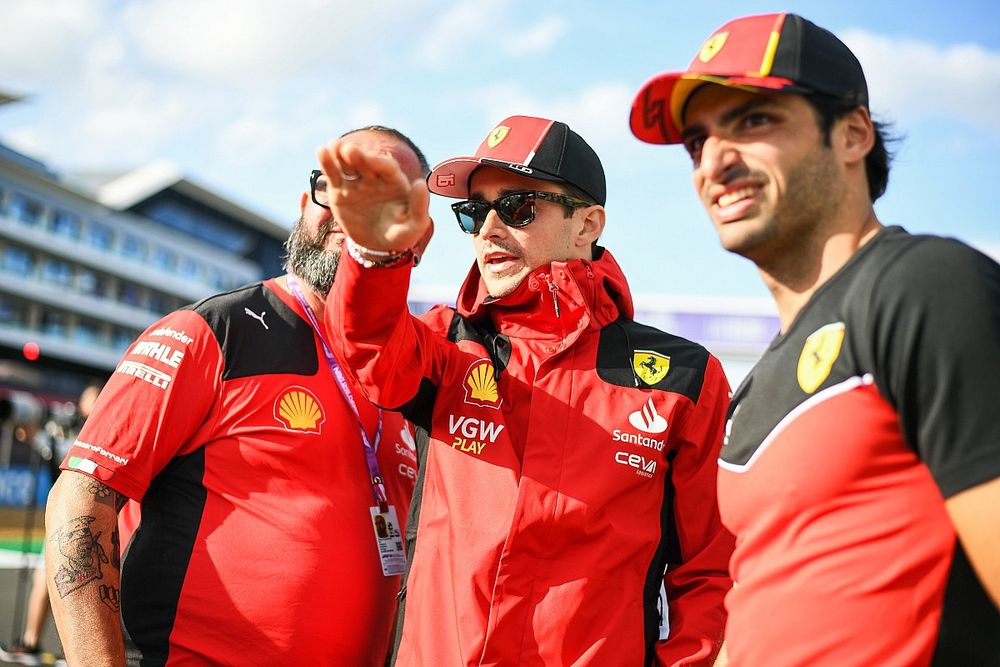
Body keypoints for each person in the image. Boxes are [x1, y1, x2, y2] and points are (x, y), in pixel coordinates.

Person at [630, 11, 1000, 666]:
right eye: (697, 143)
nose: (715, 160)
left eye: (754, 120)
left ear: (853, 134)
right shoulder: (754, 387)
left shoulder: (925, 288)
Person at [316, 115, 734, 665]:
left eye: (516, 208)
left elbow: (710, 571)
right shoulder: (445, 342)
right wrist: (375, 256)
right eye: (472, 211)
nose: (487, 230)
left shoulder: (685, 377)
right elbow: (367, 348)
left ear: (587, 225)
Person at [43, 126, 425, 666]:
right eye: (339, 187)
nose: (351, 210)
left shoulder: (415, 367)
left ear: (417, 234)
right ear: (304, 204)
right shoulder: (215, 332)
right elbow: (82, 500)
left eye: (383, 196)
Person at [0, 383, 102, 666]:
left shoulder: (96, 435)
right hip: (67, 517)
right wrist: (30, 431)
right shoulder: (67, 429)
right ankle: (34, 643)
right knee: (47, 579)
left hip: (82, 519)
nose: (83, 406)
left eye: (89, 399)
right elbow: (47, 445)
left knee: (67, 584)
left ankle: (67, 651)